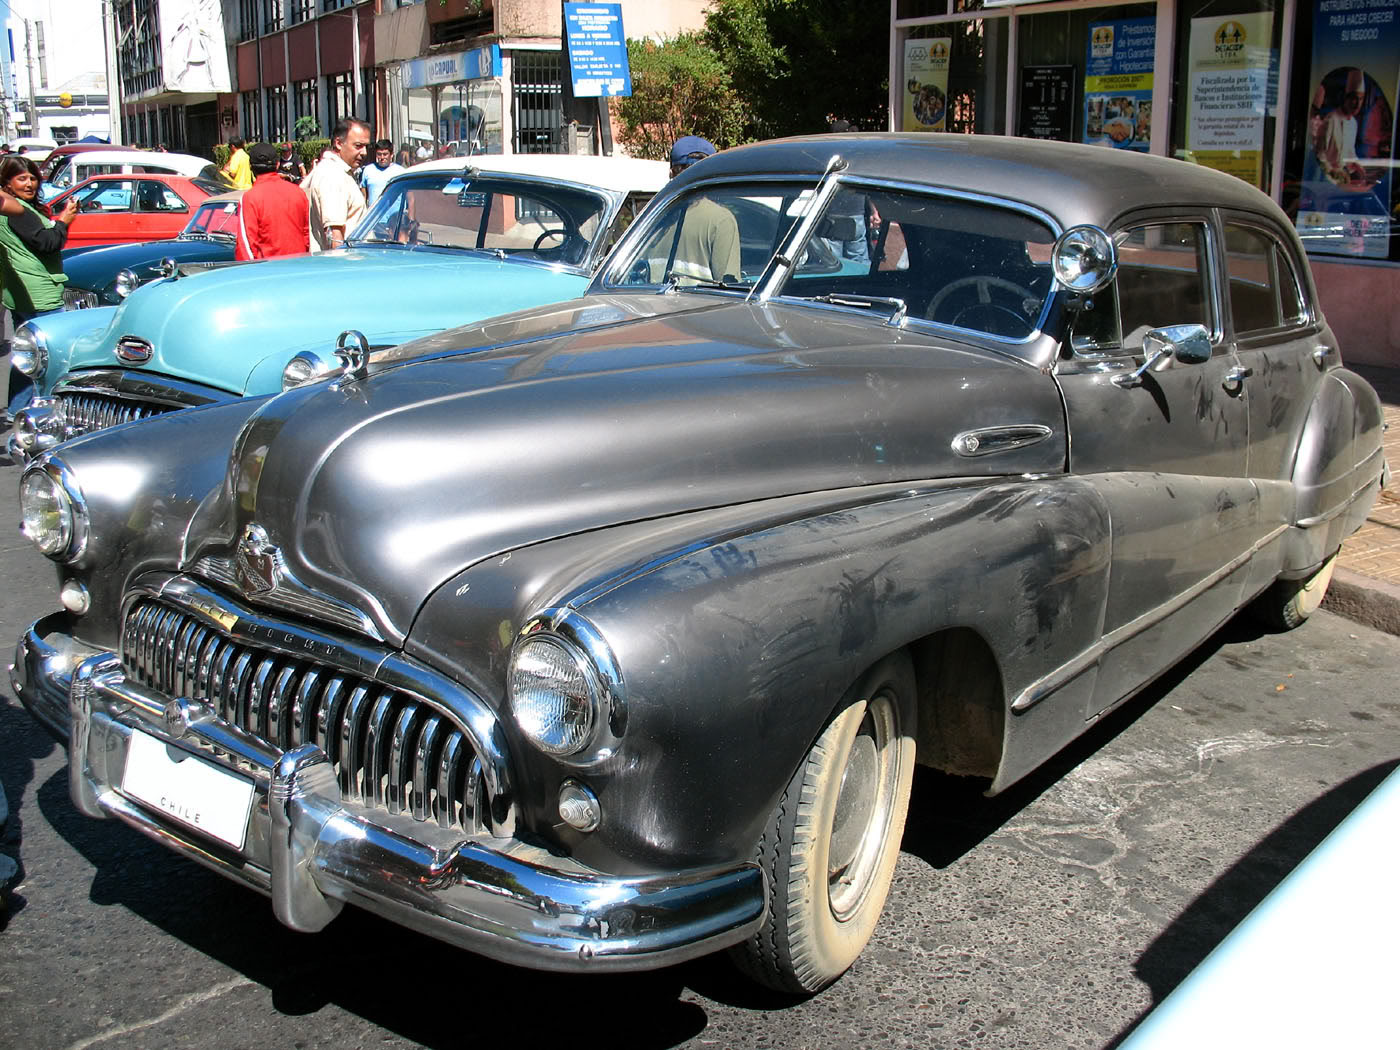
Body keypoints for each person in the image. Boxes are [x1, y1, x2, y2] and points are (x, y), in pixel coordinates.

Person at [0, 156, 78, 414]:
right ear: (7, 183)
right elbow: (47, 243)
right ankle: (46, 413)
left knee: (27, 353)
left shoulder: (14, 209)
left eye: (33, 177)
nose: (30, 183)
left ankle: (17, 409)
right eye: (21, 178)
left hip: (21, 295)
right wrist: (64, 220)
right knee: (51, 355)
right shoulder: (17, 210)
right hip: (40, 296)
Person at [665, 135, 740, 284]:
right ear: (711, 174)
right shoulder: (721, 220)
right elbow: (727, 286)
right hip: (698, 306)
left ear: (671, 173)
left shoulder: (654, 218)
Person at [302, 117, 370, 252]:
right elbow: (334, 234)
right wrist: (341, 268)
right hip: (346, 264)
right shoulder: (332, 175)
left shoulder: (336, 171)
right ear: (338, 143)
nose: (364, 152)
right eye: (358, 146)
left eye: (366, 146)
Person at [235, 142, 310, 261]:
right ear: (277, 164)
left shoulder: (250, 198)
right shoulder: (299, 193)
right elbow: (307, 237)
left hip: (268, 272)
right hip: (299, 268)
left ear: (251, 167)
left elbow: (246, 247)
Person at [360, 139, 404, 208]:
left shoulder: (400, 171)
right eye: (379, 154)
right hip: (375, 216)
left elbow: (409, 195)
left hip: (395, 216)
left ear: (391, 154)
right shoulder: (368, 170)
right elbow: (363, 196)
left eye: (385, 154)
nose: (382, 157)